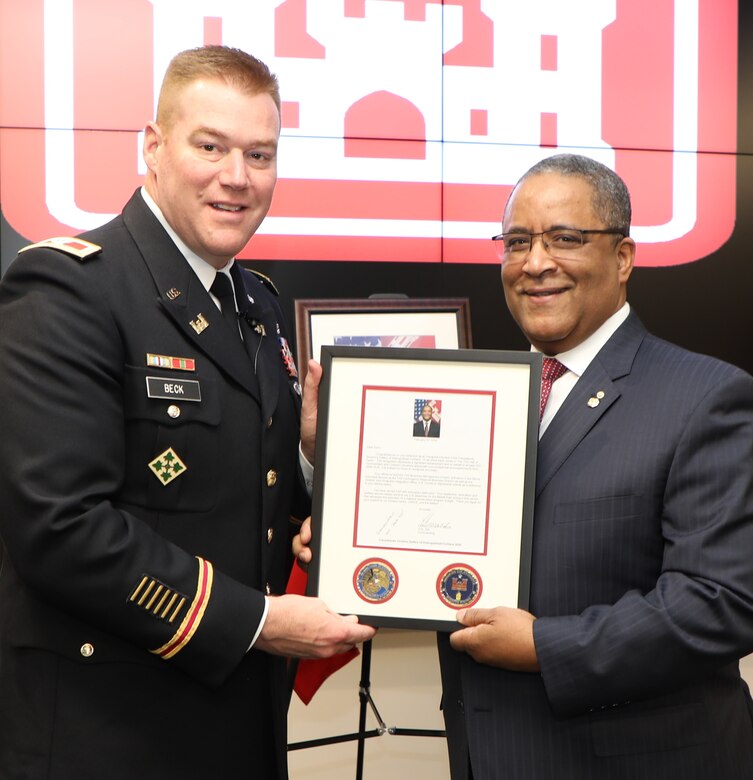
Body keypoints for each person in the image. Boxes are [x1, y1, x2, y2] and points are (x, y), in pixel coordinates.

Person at [0, 45, 374, 780]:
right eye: (211, 146)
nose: (236, 177)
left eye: (259, 155)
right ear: (153, 146)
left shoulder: (254, 303)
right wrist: (260, 622)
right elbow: (61, 529)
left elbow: (253, 501)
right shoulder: (69, 288)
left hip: (236, 719)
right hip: (107, 730)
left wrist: (305, 458)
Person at [437, 153, 753, 779]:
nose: (535, 263)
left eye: (566, 239)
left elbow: (721, 602)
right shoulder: (479, 401)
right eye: (517, 242)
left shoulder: (706, 396)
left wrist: (545, 648)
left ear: (624, 257)